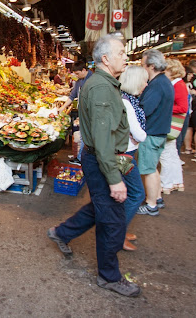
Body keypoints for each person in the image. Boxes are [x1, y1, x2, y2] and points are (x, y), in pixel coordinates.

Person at [47, 35, 141, 298]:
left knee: (101, 208)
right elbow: (102, 139)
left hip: (102, 157)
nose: (125, 57)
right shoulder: (100, 87)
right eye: (121, 53)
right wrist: (114, 178)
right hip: (102, 159)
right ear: (105, 58)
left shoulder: (104, 83)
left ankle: (61, 233)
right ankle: (109, 277)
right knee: (112, 220)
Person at [137, 49, 174, 216]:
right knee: (153, 167)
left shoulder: (156, 85)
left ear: (151, 66)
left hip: (152, 133)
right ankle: (157, 197)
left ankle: (151, 205)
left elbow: (145, 109)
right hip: (160, 132)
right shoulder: (163, 81)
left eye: (142, 65)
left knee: (148, 169)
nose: (141, 68)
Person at [118, 65, 148, 252]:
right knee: (137, 193)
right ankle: (118, 234)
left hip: (125, 152)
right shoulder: (127, 103)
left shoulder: (126, 99)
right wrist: (140, 134)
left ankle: (120, 230)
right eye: (144, 80)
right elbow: (140, 134)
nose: (146, 84)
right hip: (124, 156)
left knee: (125, 193)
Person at [159, 59, 189, 195]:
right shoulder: (178, 84)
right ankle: (176, 181)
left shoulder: (178, 85)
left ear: (172, 71)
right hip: (173, 124)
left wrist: (164, 107)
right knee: (171, 154)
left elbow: (183, 107)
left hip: (171, 124)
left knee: (165, 154)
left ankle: (166, 184)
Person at [59, 61, 93, 163]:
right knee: (83, 135)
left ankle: (83, 158)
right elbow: (72, 95)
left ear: (84, 70)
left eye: (77, 73)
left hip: (91, 113)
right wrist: (62, 108)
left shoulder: (93, 80)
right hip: (83, 112)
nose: (76, 76)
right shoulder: (80, 81)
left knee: (87, 136)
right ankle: (80, 158)